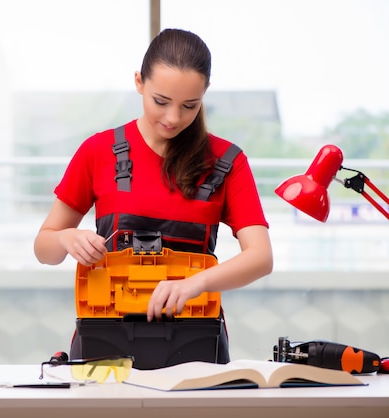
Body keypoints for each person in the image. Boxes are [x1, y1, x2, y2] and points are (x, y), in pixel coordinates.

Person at [33, 28, 273, 360]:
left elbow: (261, 258)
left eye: (190, 106)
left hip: (196, 344)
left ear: (205, 94)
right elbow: (44, 248)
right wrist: (65, 239)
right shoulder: (97, 151)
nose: (173, 118)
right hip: (104, 348)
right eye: (161, 101)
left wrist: (195, 284)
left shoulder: (228, 161)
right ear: (139, 82)